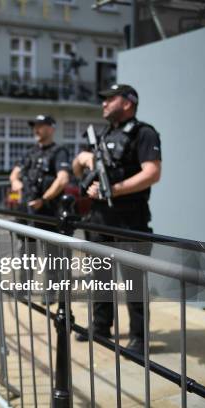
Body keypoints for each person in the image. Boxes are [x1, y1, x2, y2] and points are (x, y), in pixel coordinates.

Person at [72, 84, 162, 354]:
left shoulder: (144, 133)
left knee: (134, 281)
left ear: (128, 102)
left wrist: (114, 189)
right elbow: (77, 171)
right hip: (98, 219)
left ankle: (139, 339)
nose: (104, 103)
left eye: (110, 99)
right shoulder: (102, 135)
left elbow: (152, 173)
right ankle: (100, 328)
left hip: (130, 221)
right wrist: (83, 159)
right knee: (100, 277)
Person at [9, 115, 71, 303]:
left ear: (51, 128)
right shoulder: (30, 152)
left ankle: (50, 293)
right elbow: (14, 174)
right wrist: (16, 183)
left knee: (50, 254)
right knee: (26, 253)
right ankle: (23, 288)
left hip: (47, 211)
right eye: (34, 126)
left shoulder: (59, 151)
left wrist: (44, 199)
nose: (36, 129)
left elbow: (63, 179)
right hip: (26, 211)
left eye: (41, 126)